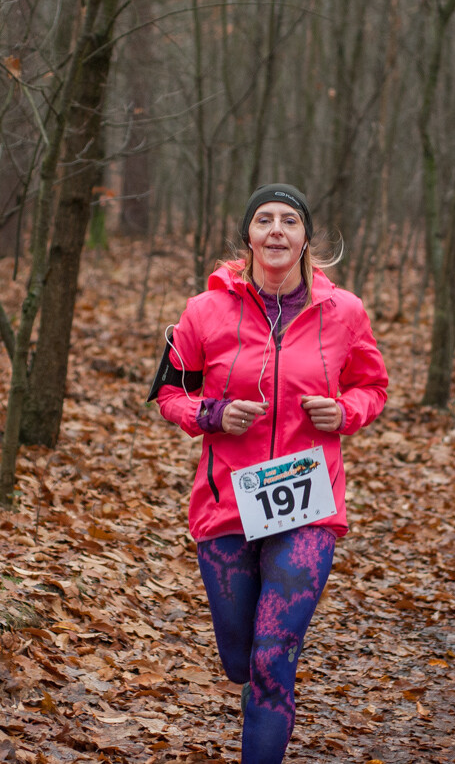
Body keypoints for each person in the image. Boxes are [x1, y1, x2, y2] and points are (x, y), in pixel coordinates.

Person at [155, 183, 388, 764]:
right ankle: (256, 673)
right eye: (265, 220)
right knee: (240, 659)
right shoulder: (204, 311)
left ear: (306, 237)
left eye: (290, 220)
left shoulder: (344, 311)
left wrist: (345, 412)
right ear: (249, 236)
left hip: (308, 505)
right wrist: (211, 414)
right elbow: (168, 393)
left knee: (270, 659)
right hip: (227, 504)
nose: (277, 229)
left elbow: (372, 386)